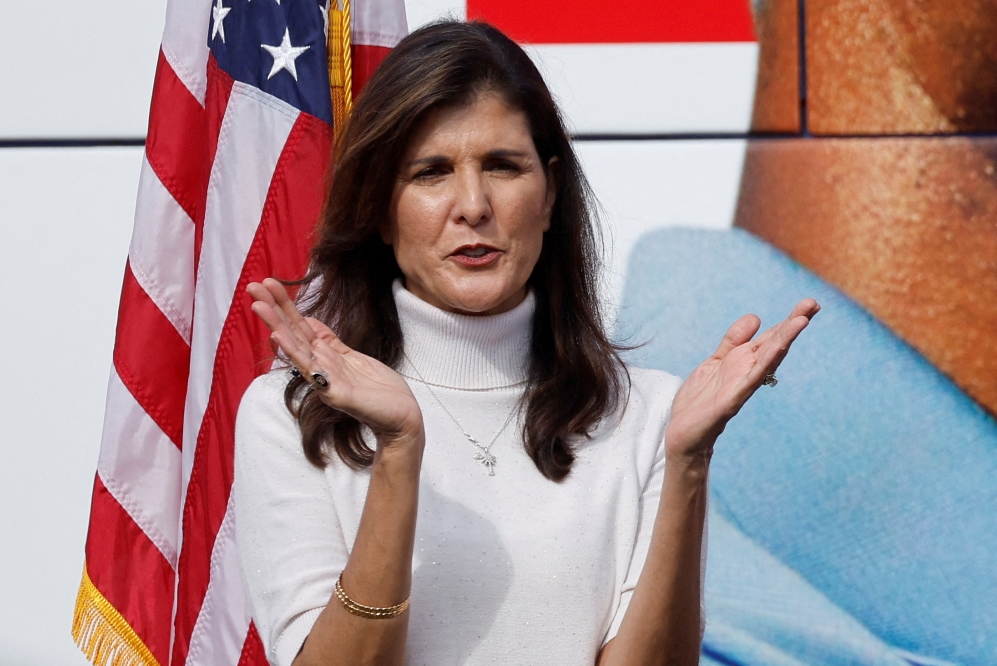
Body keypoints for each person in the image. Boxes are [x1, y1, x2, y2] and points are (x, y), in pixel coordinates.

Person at [235, 20, 817, 666]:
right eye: (431, 172)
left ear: (550, 193)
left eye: (503, 167)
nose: (473, 205)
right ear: (379, 208)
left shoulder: (652, 415)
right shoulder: (288, 418)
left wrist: (688, 460)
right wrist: (400, 451)